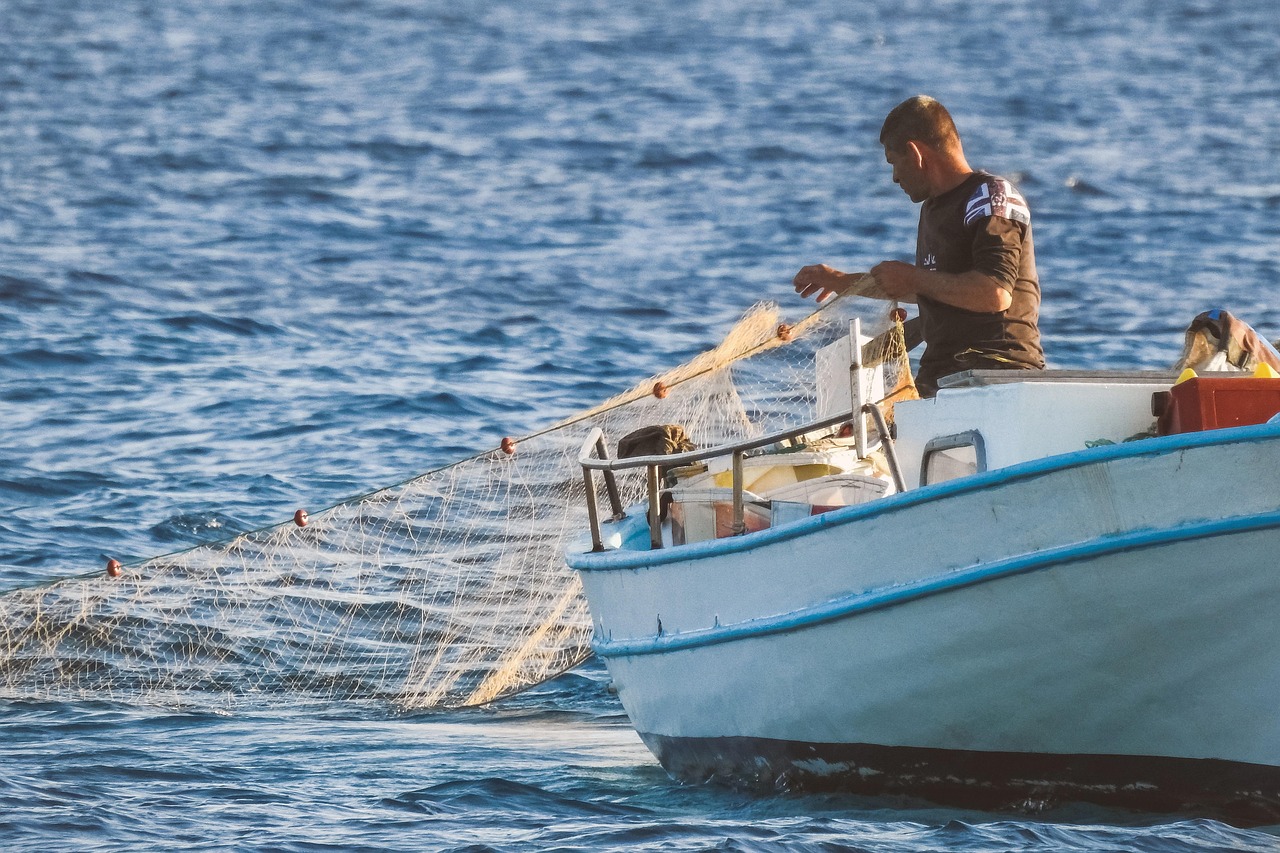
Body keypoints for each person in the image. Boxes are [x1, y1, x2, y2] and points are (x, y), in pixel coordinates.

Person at [793, 95, 1045, 397]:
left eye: (893, 162)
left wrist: (913, 278)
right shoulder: (933, 209)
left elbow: (995, 293)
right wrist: (841, 282)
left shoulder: (990, 197)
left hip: (999, 375)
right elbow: (936, 288)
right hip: (940, 378)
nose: (894, 177)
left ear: (915, 154)